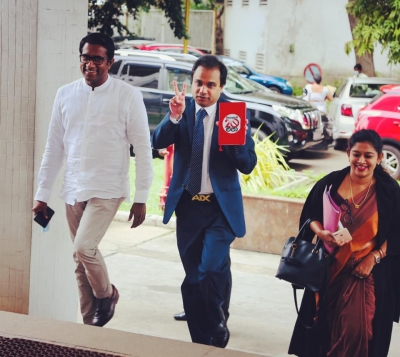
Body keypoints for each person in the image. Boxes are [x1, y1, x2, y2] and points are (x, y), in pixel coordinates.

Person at [32, 33, 153, 327]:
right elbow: (54, 147)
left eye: (98, 58)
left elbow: (143, 146)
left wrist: (141, 196)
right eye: (86, 57)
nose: (90, 64)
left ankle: (107, 294)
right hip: (73, 189)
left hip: (107, 188)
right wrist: (42, 194)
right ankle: (90, 327)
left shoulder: (128, 96)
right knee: (80, 263)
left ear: (109, 62)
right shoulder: (65, 94)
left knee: (83, 248)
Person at [151, 55, 257, 348]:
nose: (203, 90)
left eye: (211, 84)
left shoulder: (233, 115)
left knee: (208, 269)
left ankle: (215, 323)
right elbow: (157, 141)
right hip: (188, 207)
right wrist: (173, 116)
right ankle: (203, 336)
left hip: (219, 209)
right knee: (196, 274)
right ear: (192, 82)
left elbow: (247, 164)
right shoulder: (182, 110)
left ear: (221, 87)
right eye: (199, 82)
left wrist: (234, 141)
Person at [288, 129, 400, 357]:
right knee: (324, 329)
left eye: (368, 156)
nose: (361, 161)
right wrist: (321, 233)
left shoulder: (389, 191)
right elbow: (310, 216)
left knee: (357, 332)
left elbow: (397, 233)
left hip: (365, 275)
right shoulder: (330, 183)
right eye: (356, 154)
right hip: (328, 271)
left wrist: (373, 257)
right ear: (348, 153)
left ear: (379, 158)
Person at [303, 74, 334, 149]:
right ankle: (324, 141)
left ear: (314, 80)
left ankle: (309, 140)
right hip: (322, 110)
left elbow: (305, 98)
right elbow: (331, 98)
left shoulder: (308, 87)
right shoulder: (325, 89)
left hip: (312, 110)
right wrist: (324, 98)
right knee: (323, 125)